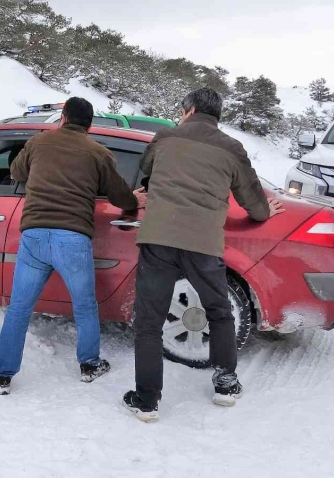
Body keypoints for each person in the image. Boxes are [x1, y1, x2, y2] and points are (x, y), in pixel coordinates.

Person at [122, 88, 285, 422]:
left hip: (159, 239)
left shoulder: (166, 136)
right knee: (220, 312)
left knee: (149, 321)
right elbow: (254, 205)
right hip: (204, 244)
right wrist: (265, 210)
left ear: (189, 109)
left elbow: (147, 167)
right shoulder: (231, 148)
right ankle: (225, 385)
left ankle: (147, 401)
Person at [0, 97, 147, 395]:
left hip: (34, 236)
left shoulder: (38, 143)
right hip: (72, 239)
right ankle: (89, 365)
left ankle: (3, 375)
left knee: (19, 309)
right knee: (85, 306)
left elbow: (17, 173)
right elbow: (119, 196)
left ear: (63, 117)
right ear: (89, 125)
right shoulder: (99, 153)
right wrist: (134, 200)